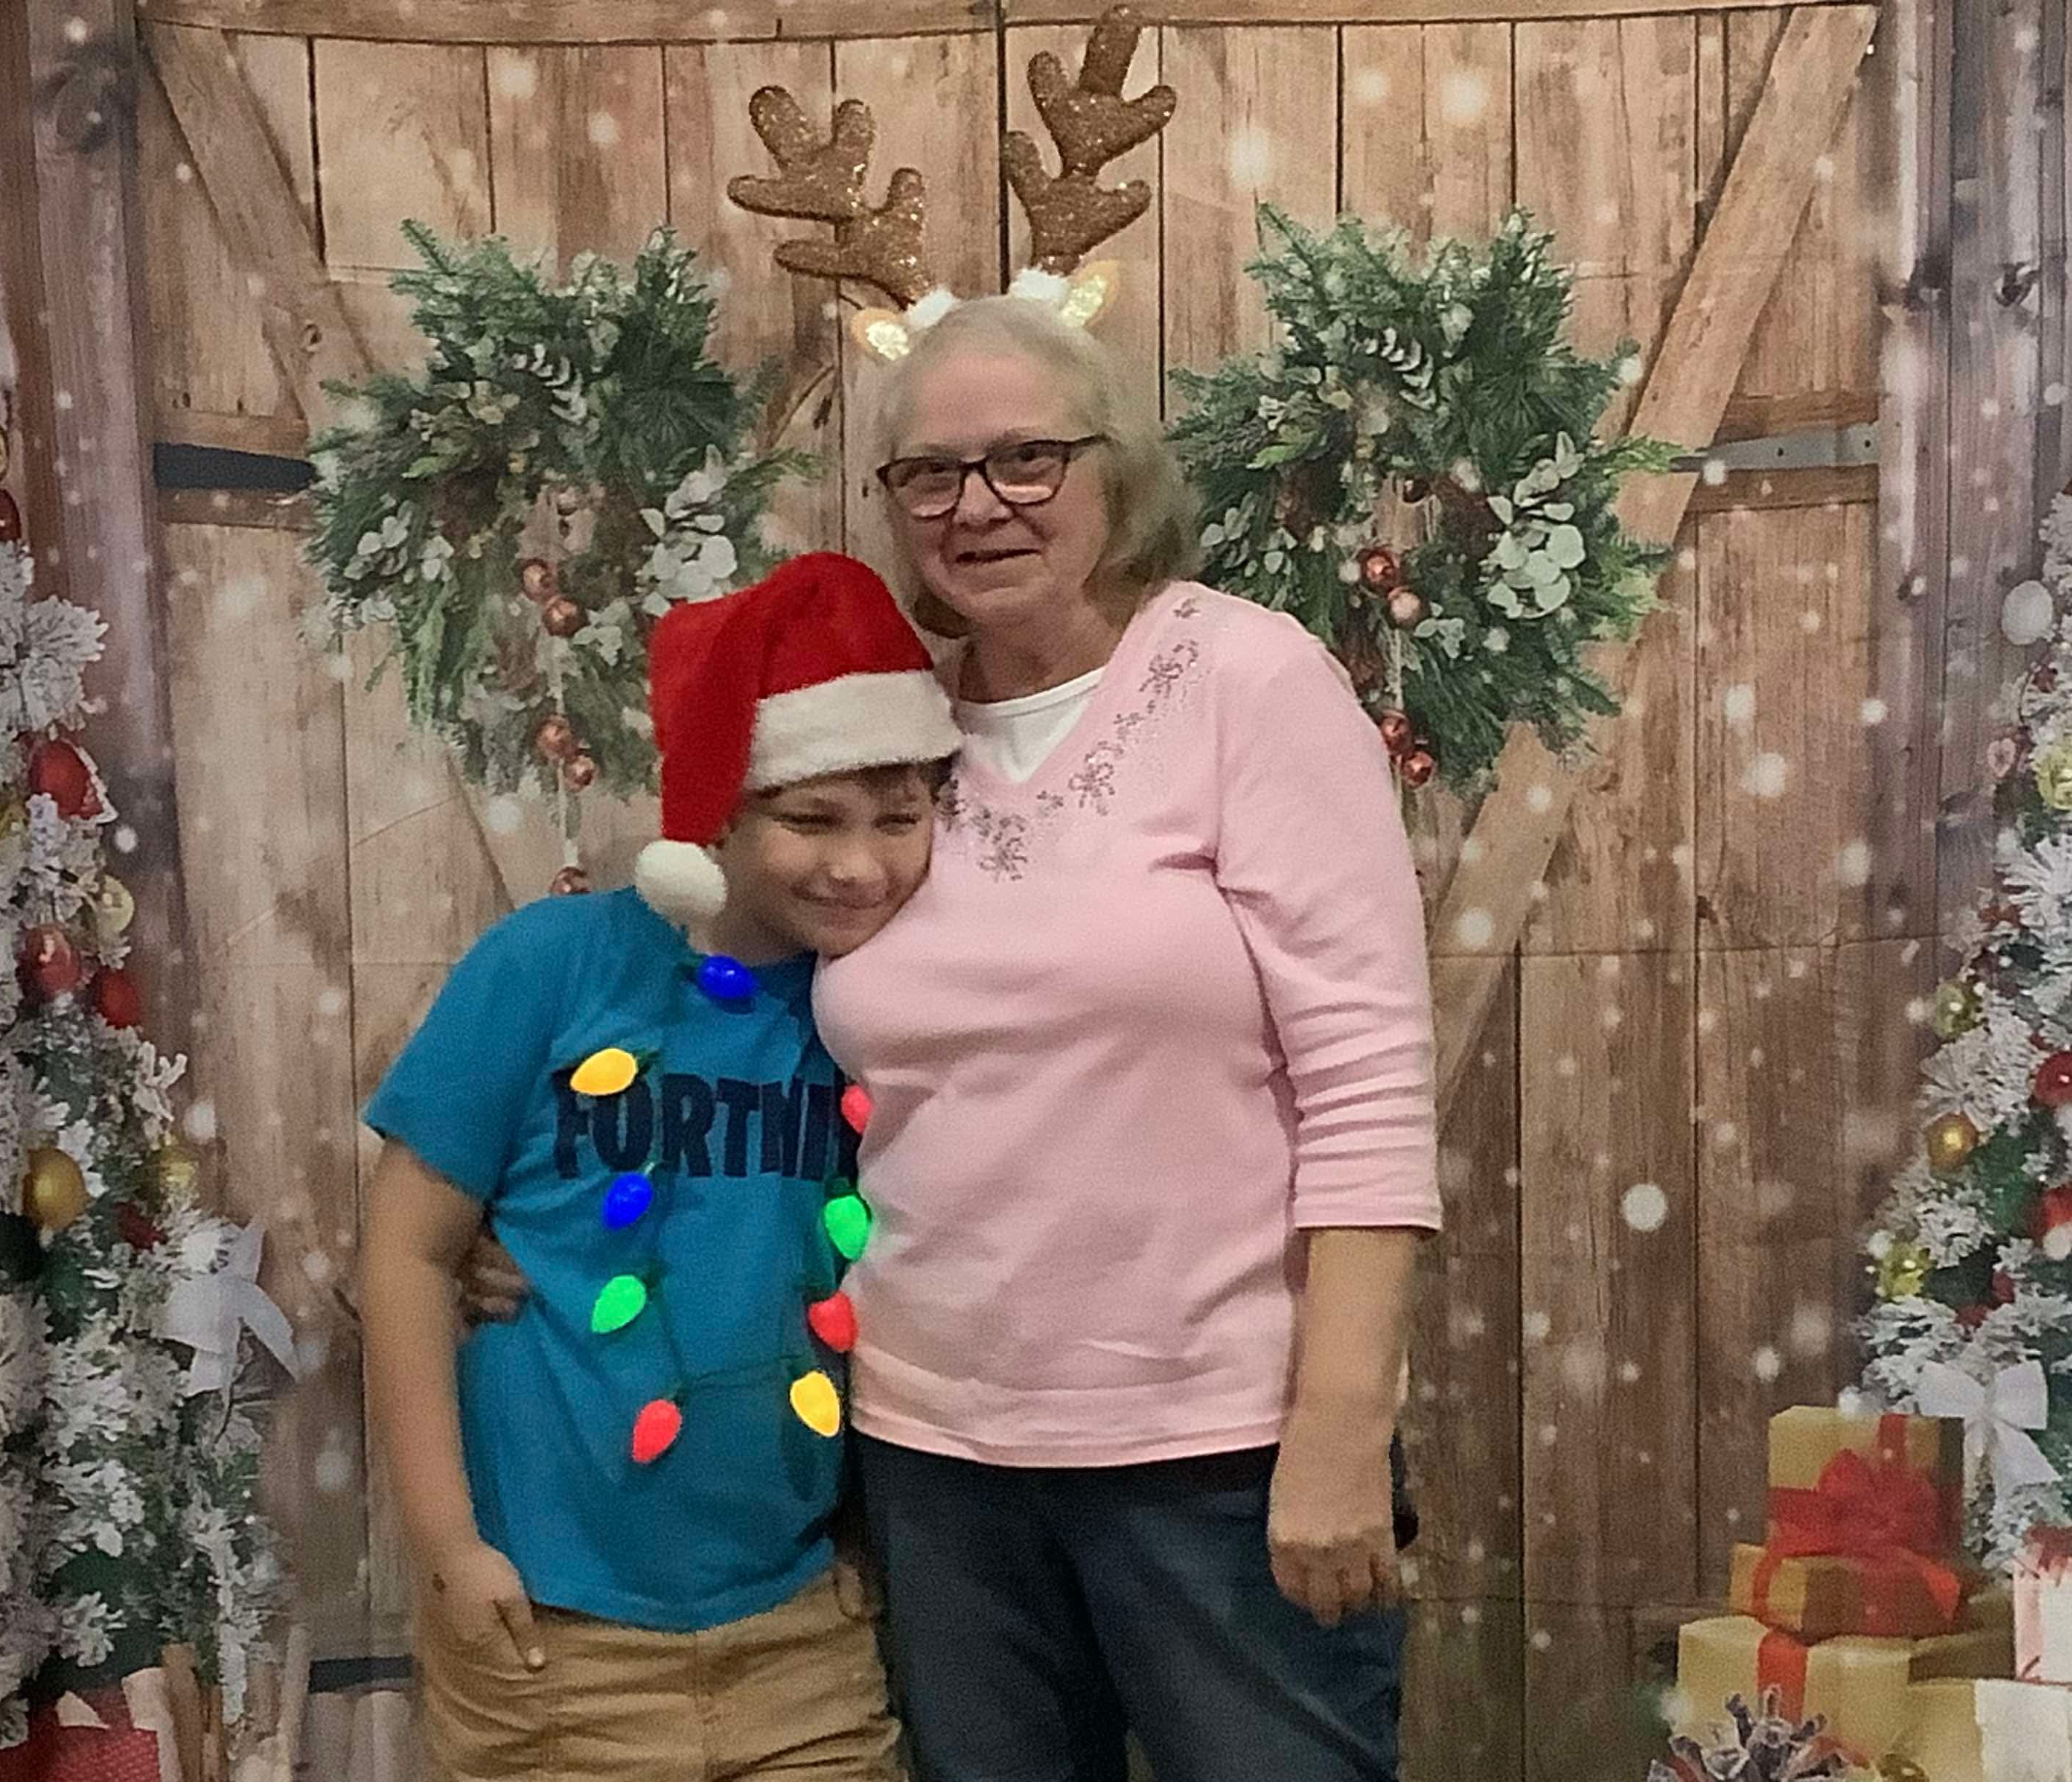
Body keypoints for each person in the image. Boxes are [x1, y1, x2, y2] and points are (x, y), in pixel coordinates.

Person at [808, 290, 1441, 1782]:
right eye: (931, 473)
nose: (979, 505)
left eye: (1026, 458)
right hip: (932, 1461)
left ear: (1117, 473)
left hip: (1218, 1457)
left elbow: (1365, 1079)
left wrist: (1339, 1429)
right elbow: (757, 1019)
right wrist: (538, 1213)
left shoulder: (1245, 679)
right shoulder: (884, 742)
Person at [360, 553, 960, 1782]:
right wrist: (449, 1548)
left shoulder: (887, 1009)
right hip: (553, 1641)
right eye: (812, 820)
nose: (861, 866)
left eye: (900, 819)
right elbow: (407, 1252)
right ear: (719, 812)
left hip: (804, 1632)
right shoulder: (552, 964)